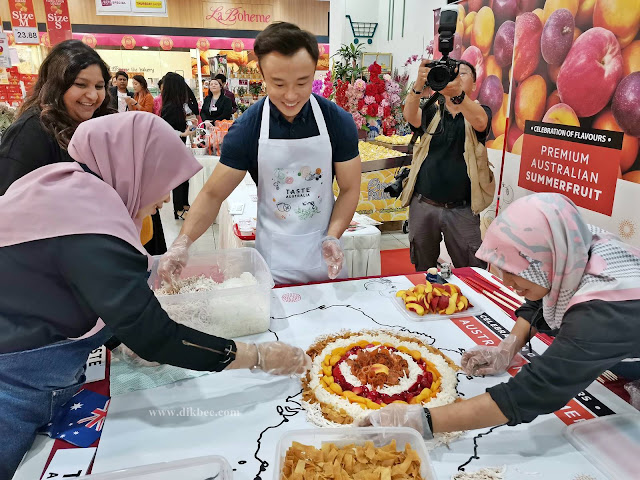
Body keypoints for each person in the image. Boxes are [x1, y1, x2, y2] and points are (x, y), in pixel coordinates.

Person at [0, 112, 311, 479]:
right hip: (13, 385)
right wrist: (257, 356)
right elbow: (157, 336)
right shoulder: (88, 223)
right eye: (163, 180)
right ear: (134, 168)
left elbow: (74, 284)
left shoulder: (69, 186)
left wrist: (118, 337)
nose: (165, 198)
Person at [362, 193, 640, 440]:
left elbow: (535, 392)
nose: (506, 282)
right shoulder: (572, 242)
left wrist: (422, 420)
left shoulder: (601, 311)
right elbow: (541, 297)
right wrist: (508, 348)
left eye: (515, 270)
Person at [158, 22, 361, 286]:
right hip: (273, 262)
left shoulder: (336, 121)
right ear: (263, 76)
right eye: (278, 84)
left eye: (302, 82)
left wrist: (333, 236)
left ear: (314, 74)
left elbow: (349, 188)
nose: (291, 96)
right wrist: (182, 243)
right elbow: (212, 194)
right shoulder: (248, 128)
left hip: (326, 257)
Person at [401, 59, 495, 271]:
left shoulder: (479, 112)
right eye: (451, 74)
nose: (455, 78)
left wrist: (458, 96)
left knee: (472, 269)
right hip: (423, 204)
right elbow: (410, 115)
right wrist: (419, 82)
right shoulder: (432, 111)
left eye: (461, 74)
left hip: (462, 209)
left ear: (473, 85)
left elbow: (481, 122)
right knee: (424, 269)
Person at [0, 39, 111, 195]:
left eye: (99, 86)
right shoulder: (31, 133)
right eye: (80, 84)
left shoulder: (96, 124)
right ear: (55, 86)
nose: (93, 95)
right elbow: (8, 202)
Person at [160, 72, 195, 220]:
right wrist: (182, 134)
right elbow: (165, 129)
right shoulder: (171, 107)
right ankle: (179, 209)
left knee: (184, 176)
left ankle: (185, 204)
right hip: (173, 146)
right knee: (179, 178)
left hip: (178, 145)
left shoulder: (177, 105)